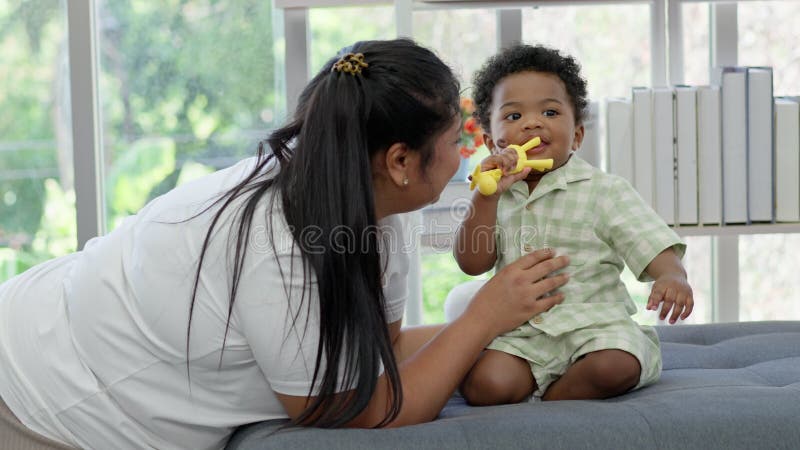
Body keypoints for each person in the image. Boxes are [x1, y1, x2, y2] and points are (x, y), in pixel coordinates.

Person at [0, 39, 570, 449]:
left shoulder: (370, 204)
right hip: (39, 396)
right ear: (398, 161)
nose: (466, 153)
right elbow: (355, 412)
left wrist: (520, 331)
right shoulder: (280, 245)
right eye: (453, 139)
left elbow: (382, 351)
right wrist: (481, 317)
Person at [454, 44, 694, 406]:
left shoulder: (604, 190)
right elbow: (472, 264)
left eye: (549, 111)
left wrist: (672, 276)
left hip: (596, 327)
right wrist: (485, 197)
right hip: (522, 335)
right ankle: (546, 389)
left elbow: (648, 240)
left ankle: (554, 401)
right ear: (491, 142)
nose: (532, 123)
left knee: (614, 367)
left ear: (577, 136)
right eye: (514, 116)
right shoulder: (492, 196)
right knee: (484, 385)